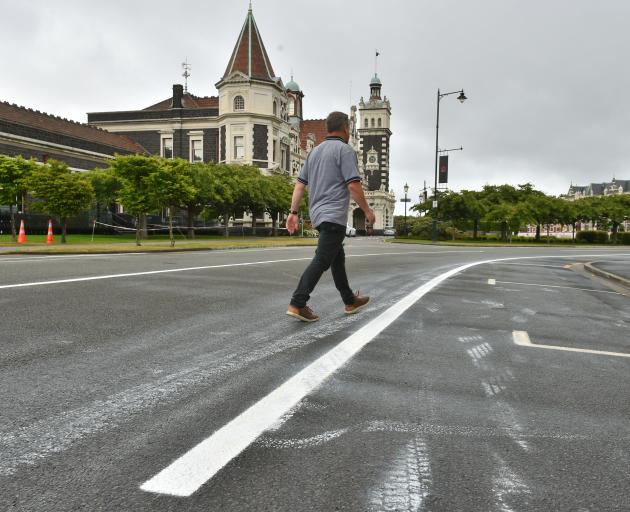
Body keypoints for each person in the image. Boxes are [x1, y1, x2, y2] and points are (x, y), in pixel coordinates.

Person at [285, 111, 376, 322]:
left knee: (337, 259)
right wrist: (368, 211)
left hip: (318, 214)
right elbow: (353, 185)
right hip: (333, 215)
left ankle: (349, 300)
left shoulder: (314, 152)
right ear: (345, 129)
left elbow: (299, 185)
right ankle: (298, 303)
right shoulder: (345, 151)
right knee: (322, 260)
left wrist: (293, 213)